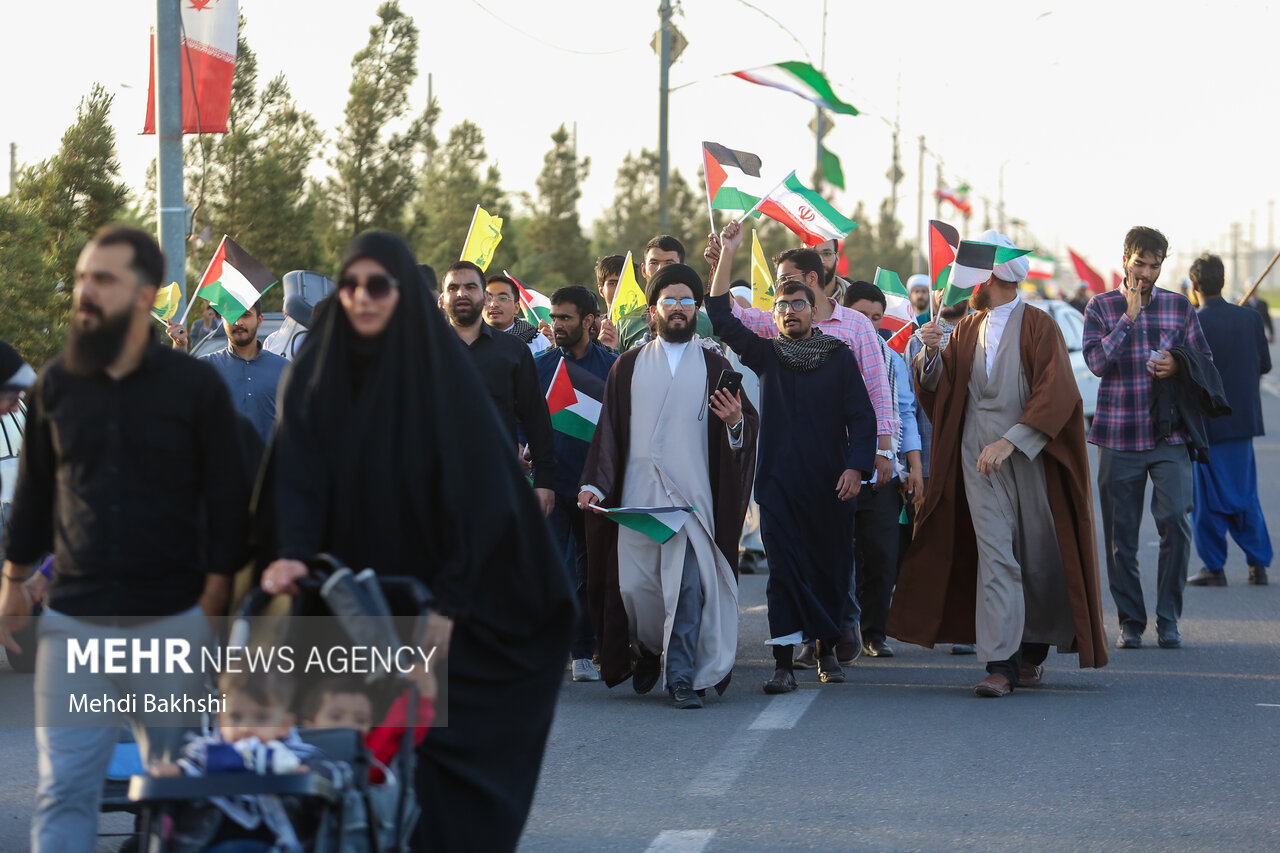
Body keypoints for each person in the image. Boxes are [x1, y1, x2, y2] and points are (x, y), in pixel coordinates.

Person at [257, 231, 575, 852]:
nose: (363, 297)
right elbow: (294, 477)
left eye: (379, 285)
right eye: (351, 285)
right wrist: (290, 555)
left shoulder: (443, 381)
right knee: (333, 777)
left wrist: (445, 611)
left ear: (403, 294)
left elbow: (480, 505)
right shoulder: (315, 376)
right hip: (337, 602)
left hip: (434, 600)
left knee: (429, 788)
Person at [0, 225, 250, 852]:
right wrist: (13, 582)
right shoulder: (56, 385)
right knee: (64, 793)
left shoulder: (195, 388)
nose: (86, 291)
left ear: (144, 295)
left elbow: (229, 506)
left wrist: (212, 605)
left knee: (177, 798)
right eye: (82, 278)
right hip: (73, 626)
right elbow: (34, 497)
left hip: (170, 623)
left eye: (103, 279)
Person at [890, 230, 1109, 697]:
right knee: (996, 559)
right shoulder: (968, 327)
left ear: (992, 277)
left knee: (1037, 558)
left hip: (1029, 458)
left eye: (974, 275)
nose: (967, 285)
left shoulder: (1039, 326)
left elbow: (1057, 393)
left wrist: (1012, 442)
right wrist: (931, 352)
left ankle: (1031, 653)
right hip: (975, 461)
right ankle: (1001, 665)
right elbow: (940, 389)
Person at [579, 263, 757, 709]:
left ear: (697, 309)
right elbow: (609, 433)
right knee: (636, 591)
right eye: (669, 301)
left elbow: (744, 430)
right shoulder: (627, 365)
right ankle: (647, 649)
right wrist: (595, 484)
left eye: (686, 301)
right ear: (653, 311)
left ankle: (681, 678)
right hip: (639, 502)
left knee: (688, 589)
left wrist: (735, 422)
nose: (678, 308)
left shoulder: (715, 365)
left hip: (692, 504)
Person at [707, 222, 876, 692]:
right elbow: (721, 316)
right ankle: (782, 662)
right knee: (782, 571)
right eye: (781, 306)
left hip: (830, 483)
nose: (788, 312)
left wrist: (856, 467)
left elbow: (862, 417)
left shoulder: (839, 356)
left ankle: (827, 651)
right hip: (778, 483)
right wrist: (728, 254)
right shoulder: (767, 355)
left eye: (797, 304)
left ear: (813, 309)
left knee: (829, 567)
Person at [1083, 226, 1213, 650]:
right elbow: (1097, 363)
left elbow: (1204, 360)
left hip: (1168, 435)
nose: (1146, 273)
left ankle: (1169, 618)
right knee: (1120, 538)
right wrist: (1129, 318)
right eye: (1140, 264)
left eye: (1154, 266)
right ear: (1125, 260)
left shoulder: (1179, 307)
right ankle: (1131, 621)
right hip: (1118, 435)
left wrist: (1177, 364)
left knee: (1176, 521)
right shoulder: (1100, 307)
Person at [707, 238, 898, 486]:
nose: (788, 309)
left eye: (787, 279)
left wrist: (881, 448)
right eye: (779, 285)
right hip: (783, 463)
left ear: (811, 279)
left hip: (841, 457)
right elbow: (728, 315)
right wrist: (725, 258)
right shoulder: (773, 333)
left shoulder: (853, 330)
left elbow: (876, 389)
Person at [534, 286, 618, 682]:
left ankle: (586, 650)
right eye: (553, 317)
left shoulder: (614, 368)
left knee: (593, 573)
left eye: (565, 318)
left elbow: (620, 427)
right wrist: (523, 444)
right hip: (549, 486)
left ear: (589, 321)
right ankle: (557, 649)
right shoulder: (540, 366)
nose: (557, 325)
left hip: (594, 488)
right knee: (555, 569)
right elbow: (521, 416)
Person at [843, 280, 923, 659]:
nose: (869, 324)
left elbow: (905, 411)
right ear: (844, 314)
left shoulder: (891, 359)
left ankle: (874, 632)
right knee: (841, 557)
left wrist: (914, 466)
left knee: (882, 556)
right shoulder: (829, 353)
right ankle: (838, 633)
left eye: (876, 318)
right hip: (839, 471)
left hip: (884, 473)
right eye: (861, 315)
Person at [442, 260, 557, 517]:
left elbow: (536, 418)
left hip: (499, 485)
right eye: (453, 287)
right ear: (443, 297)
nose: (461, 293)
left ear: (484, 297)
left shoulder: (513, 350)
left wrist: (544, 481)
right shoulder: (422, 350)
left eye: (471, 287)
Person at [1186, 254, 1272, 586]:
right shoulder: (1250, 318)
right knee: (1245, 494)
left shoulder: (1192, 322)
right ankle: (1257, 565)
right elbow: (1264, 365)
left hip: (1208, 426)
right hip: (1243, 423)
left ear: (1195, 285)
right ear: (1222, 281)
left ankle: (1214, 566)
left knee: (1208, 499)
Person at [904, 298, 975, 655]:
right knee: (934, 542)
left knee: (973, 541)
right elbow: (911, 404)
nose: (948, 293)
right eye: (943, 284)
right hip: (931, 459)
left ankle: (970, 626)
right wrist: (913, 463)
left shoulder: (983, 331)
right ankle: (934, 622)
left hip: (976, 458)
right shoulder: (919, 338)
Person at [167, 300, 288, 443]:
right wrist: (179, 347)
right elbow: (176, 398)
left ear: (259, 320)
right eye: (231, 315)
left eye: (246, 315)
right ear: (222, 320)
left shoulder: (285, 369)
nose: (238, 322)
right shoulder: (206, 367)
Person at [616, 236, 718, 350]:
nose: (660, 269)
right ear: (643, 270)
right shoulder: (626, 324)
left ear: (682, 269)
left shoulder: (706, 323)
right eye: (654, 263)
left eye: (669, 263)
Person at [485, 273, 552, 355]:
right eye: (488, 298)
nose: (493, 304)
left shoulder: (537, 341)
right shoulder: (471, 339)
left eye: (503, 298)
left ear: (516, 307)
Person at [813, 238, 851, 302]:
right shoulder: (794, 297)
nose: (821, 261)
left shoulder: (855, 299)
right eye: (814, 254)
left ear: (837, 258)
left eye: (827, 254)